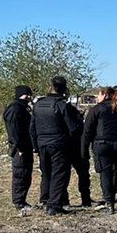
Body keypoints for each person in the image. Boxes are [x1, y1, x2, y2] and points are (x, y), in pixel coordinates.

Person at [30, 76, 78, 216]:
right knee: (59, 174)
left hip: (42, 143)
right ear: (64, 89)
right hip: (59, 144)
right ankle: (54, 205)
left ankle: (45, 200)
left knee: (46, 173)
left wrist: (35, 146)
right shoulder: (62, 105)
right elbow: (73, 128)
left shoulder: (38, 105)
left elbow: (32, 128)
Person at [2, 85, 33, 209]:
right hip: (20, 148)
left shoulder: (23, 108)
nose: (29, 97)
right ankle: (19, 202)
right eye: (27, 95)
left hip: (26, 146)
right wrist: (19, 147)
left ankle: (22, 200)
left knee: (26, 174)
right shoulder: (15, 109)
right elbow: (14, 130)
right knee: (20, 174)